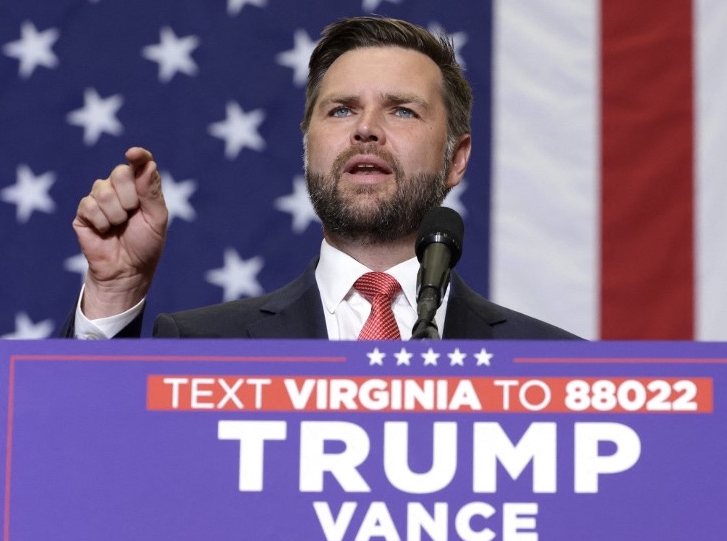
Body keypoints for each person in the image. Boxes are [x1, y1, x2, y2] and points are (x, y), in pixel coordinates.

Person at [60, 16, 579, 341]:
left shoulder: (549, 364)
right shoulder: (204, 346)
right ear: (308, 146)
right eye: (341, 111)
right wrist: (113, 292)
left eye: (401, 111)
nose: (366, 131)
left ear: (456, 158)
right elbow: (80, 478)